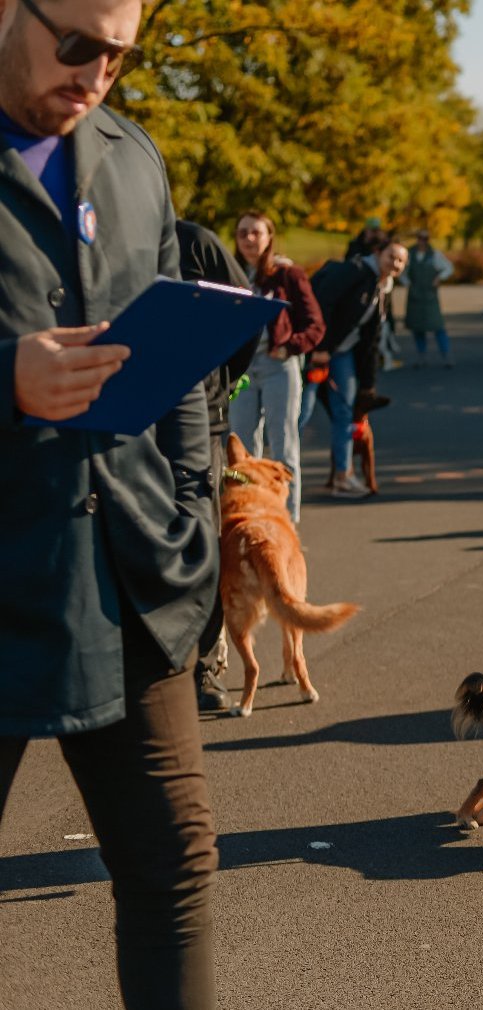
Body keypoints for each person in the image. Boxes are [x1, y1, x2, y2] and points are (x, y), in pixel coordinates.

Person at [1, 0, 221, 1004]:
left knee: (173, 866)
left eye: (121, 56)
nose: (96, 76)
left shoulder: (136, 157)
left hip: (128, 570)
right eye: (78, 44)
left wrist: (195, 509)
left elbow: (181, 363)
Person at [175, 221, 254, 713]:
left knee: (201, 546)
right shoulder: (97, 242)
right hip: (121, 419)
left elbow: (244, 315)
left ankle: (204, 670)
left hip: (198, 419)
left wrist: (218, 385)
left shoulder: (196, 243)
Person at [229, 211, 325, 523]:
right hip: (242, 369)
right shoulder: (231, 273)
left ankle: (288, 521)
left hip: (278, 366)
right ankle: (251, 514)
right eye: (243, 233)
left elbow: (315, 325)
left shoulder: (287, 274)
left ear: (270, 237)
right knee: (241, 449)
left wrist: (289, 347)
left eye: (256, 233)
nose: (249, 239)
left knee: (284, 445)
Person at [307, 242, 408, 498]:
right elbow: (323, 302)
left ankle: (343, 475)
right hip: (317, 350)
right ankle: (280, 475)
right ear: (377, 254)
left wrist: (368, 384)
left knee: (345, 412)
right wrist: (321, 346)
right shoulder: (355, 272)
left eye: (400, 261)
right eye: (391, 257)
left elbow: (371, 340)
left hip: (343, 353)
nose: (395, 264)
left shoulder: (382, 287)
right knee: (300, 412)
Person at [403, 228, 455, 368]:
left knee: (438, 326)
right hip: (415, 295)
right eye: (420, 238)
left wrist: (439, 277)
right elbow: (403, 272)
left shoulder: (435, 255)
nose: (422, 241)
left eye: (425, 239)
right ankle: (422, 357)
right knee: (417, 328)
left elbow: (449, 268)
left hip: (430, 295)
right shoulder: (409, 254)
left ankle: (446, 356)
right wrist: (408, 284)